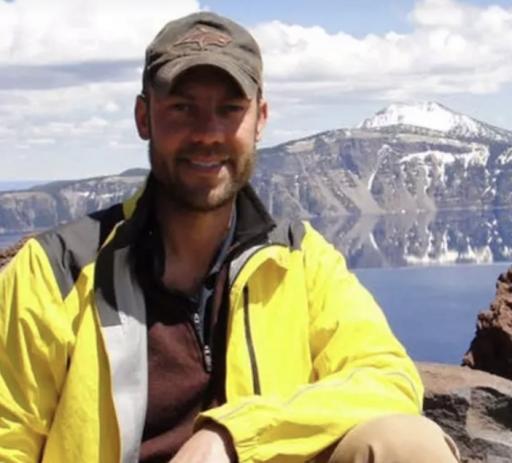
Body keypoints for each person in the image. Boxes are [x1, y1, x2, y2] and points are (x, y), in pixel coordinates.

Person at [0, 11, 460, 463]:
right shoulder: (57, 271)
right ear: (144, 117)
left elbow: (389, 378)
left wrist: (234, 435)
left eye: (230, 109)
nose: (208, 134)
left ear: (260, 119)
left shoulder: (300, 261)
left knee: (406, 445)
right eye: (182, 108)